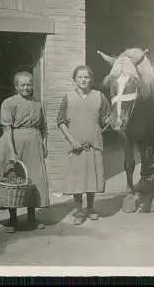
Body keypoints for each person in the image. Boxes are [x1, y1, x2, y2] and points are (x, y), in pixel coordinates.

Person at [0, 71, 50, 233]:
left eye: (29, 84)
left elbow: (44, 127)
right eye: (23, 85)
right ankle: (13, 219)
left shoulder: (38, 103)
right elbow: (7, 129)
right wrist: (12, 152)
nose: (26, 87)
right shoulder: (9, 103)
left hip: (34, 143)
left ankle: (32, 218)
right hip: (13, 142)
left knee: (34, 178)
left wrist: (44, 144)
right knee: (13, 180)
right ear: (16, 87)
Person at [57, 65, 111, 225]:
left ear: (91, 80)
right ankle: (79, 210)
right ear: (74, 80)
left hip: (94, 143)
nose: (83, 80)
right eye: (80, 77)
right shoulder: (68, 97)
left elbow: (106, 118)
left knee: (92, 177)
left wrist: (112, 119)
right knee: (78, 179)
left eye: (86, 77)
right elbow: (60, 121)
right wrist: (72, 141)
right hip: (75, 145)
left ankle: (91, 208)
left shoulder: (99, 96)